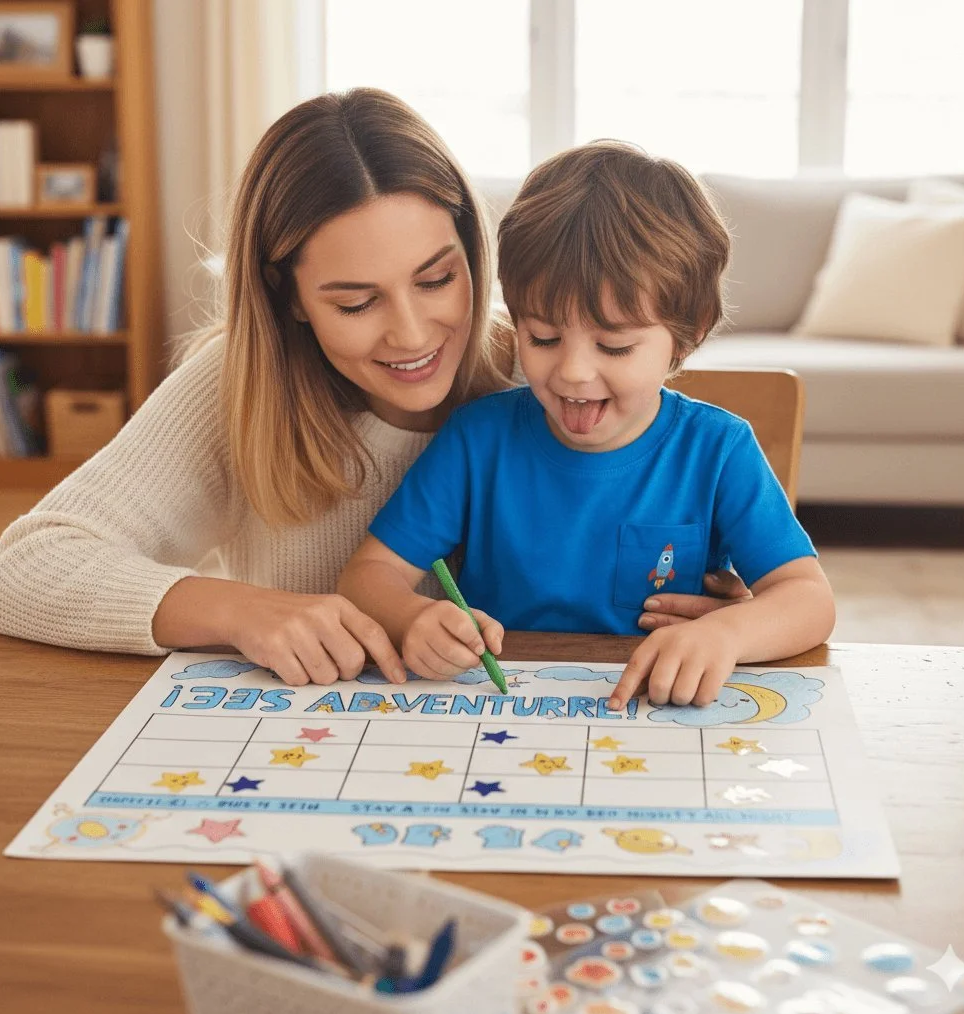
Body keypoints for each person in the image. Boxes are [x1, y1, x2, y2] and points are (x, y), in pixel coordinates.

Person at [0, 88, 521, 687]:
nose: (413, 333)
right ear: (287, 296)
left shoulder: (547, 372)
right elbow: (21, 571)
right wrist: (238, 610)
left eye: (438, 279)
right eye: (357, 302)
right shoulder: (237, 383)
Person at [338, 141, 836, 709]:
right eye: (543, 338)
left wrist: (727, 632)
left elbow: (809, 600)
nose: (572, 373)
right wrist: (414, 618)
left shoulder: (719, 451)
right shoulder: (478, 440)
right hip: (500, 713)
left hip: (657, 713)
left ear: (689, 332)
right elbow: (369, 575)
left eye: (615, 346)